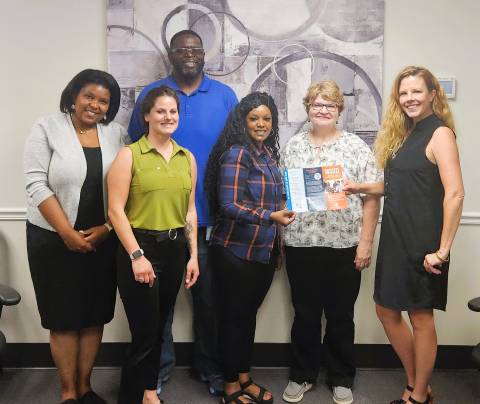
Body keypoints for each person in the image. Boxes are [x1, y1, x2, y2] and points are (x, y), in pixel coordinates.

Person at [344, 66, 464, 404]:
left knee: (421, 317)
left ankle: (418, 394)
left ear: (432, 95)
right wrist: (359, 187)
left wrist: (442, 251)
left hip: (424, 243)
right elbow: (400, 183)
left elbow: (455, 193)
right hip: (397, 237)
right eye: (403, 93)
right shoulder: (406, 133)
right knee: (386, 311)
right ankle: (418, 385)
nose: (409, 98)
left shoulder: (440, 134)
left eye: (416, 92)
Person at [128, 29, 238, 395]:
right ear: (170, 54)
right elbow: (134, 151)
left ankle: (209, 369)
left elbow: (238, 155)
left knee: (210, 304)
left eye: (196, 48)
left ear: (204, 54)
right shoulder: (152, 95)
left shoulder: (224, 96)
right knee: (159, 310)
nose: (189, 54)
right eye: (182, 49)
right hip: (158, 225)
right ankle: (155, 375)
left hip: (211, 221)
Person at [24, 69, 128, 404]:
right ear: (74, 96)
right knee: (65, 319)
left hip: (102, 239)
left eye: (103, 101)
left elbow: (128, 188)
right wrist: (67, 233)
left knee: (94, 315)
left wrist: (108, 230)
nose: (95, 105)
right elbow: (36, 184)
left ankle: (85, 388)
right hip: (53, 240)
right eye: (89, 96)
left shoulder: (117, 134)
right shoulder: (47, 127)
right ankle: (68, 392)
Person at [280, 80, 382, 404]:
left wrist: (365, 243)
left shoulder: (356, 147)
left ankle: (340, 376)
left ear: (339, 111)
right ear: (308, 108)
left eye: (330, 105)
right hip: (301, 243)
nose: (323, 109)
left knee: (340, 315)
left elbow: (372, 197)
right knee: (305, 313)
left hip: (345, 244)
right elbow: (283, 194)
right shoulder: (293, 146)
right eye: (316, 104)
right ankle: (303, 374)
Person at [108, 85, 200, 404]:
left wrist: (194, 257)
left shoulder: (186, 157)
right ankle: (132, 397)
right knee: (144, 333)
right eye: (160, 111)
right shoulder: (129, 155)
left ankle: (149, 392)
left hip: (175, 251)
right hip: (140, 249)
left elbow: (190, 211)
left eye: (172, 111)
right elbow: (115, 210)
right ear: (146, 115)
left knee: (160, 327)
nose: (167, 116)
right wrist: (136, 255)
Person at [205, 92, 296, 404]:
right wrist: (269, 216)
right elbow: (228, 205)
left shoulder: (268, 155)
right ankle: (230, 387)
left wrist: (278, 243)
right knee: (233, 319)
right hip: (234, 251)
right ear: (242, 121)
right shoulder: (237, 153)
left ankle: (244, 377)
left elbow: (277, 201)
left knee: (247, 317)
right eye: (254, 118)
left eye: (267, 118)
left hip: (263, 252)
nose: (261, 124)